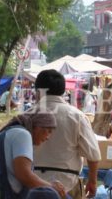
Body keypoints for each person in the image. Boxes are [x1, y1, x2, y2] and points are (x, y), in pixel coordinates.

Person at [0, 109, 66, 199]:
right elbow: (24, 175)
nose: (48, 137)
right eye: (48, 131)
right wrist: (51, 187)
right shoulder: (22, 134)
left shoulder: (16, 132)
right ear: (37, 126)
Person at [33, 69, 101, 199]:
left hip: (32, 184)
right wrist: (92, 181)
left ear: (38, 91)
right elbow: (93, 154)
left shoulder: (26, 116)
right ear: (63, 91)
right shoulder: (77, 116)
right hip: (67, 185)